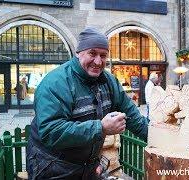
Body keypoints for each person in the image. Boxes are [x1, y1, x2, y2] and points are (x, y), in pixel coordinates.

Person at [26, 27, 148, 180]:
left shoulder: (109, 82)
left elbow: (135, 119)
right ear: (79, 53)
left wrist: (163, 138)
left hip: (87, 166)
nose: (98, 61)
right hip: (51, 166)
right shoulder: (55, 83)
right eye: (92, 53)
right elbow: (51, 131)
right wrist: (101, 127)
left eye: (103, 55)